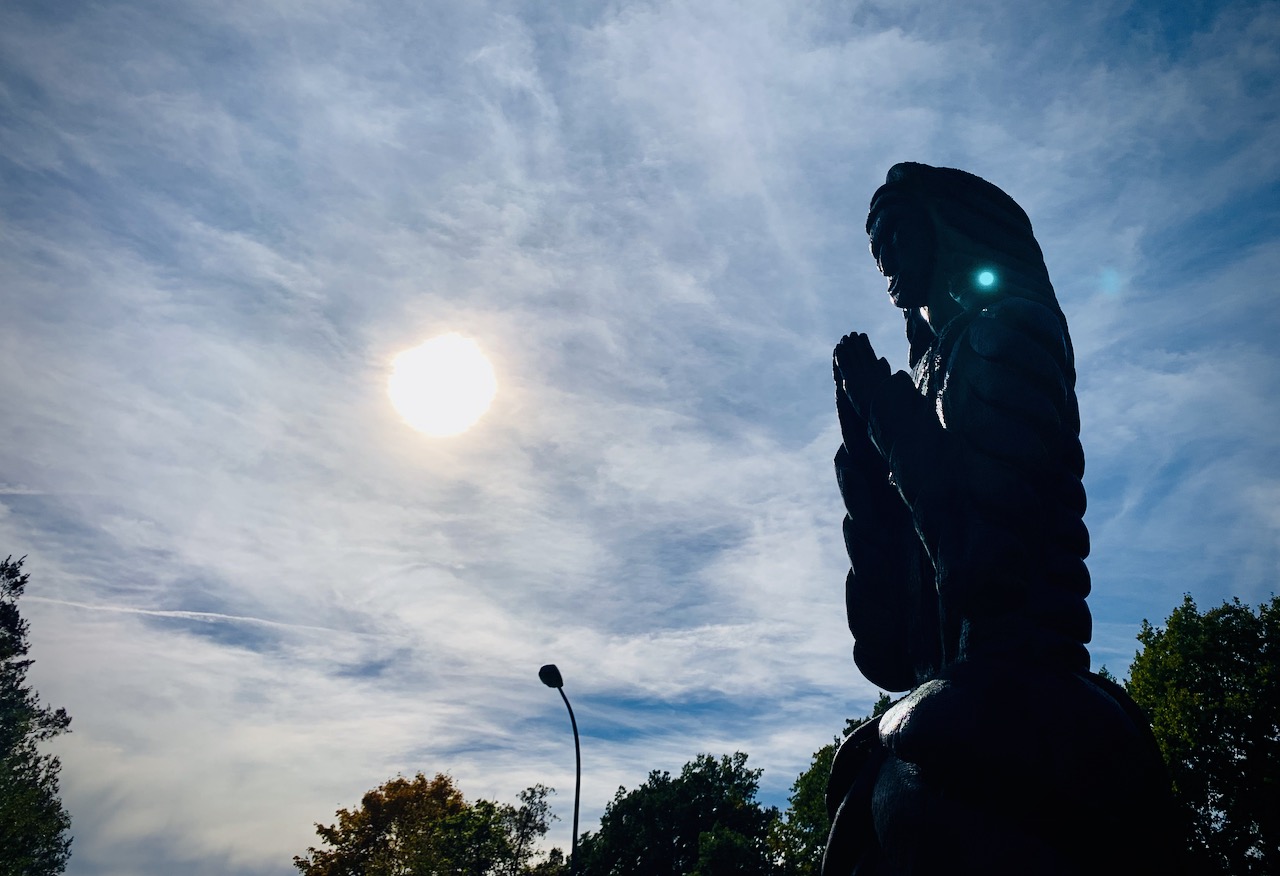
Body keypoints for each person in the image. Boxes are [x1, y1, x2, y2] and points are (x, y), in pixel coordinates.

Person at [824, 163, 1175, 875]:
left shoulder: (1009, 334)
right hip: (951, 678)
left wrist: (888, 417)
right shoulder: (930, 372)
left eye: (898, 239)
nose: (888, 266)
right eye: (877, 252)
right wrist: (862, 441)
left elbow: (982, 557)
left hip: (1018, 656)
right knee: (861, 779)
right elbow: (893, 639)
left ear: (946, 233)